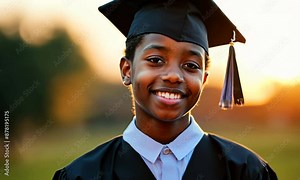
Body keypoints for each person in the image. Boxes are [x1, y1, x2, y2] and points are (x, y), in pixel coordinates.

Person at [53, 0, 278, 179]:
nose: (173, 75)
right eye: (156, 59)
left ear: (204, 79)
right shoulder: (83, 175)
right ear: (127, 70)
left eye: (191, 65)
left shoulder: (246, 172)